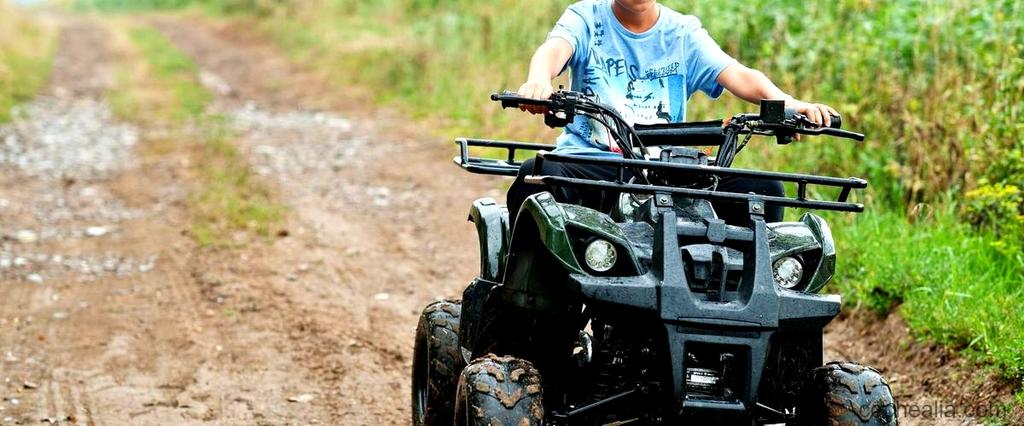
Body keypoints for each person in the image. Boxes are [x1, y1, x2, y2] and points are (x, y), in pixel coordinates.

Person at [506, 0, 839, 227]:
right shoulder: (586, 17)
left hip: (667, 173)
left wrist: (789, 104)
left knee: (762, 192)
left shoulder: (683, 33)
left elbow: (737, 74)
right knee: (535, 179)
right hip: (592, 166)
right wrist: (538, 82)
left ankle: (731, 299)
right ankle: (529, 308)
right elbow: (555, 49)